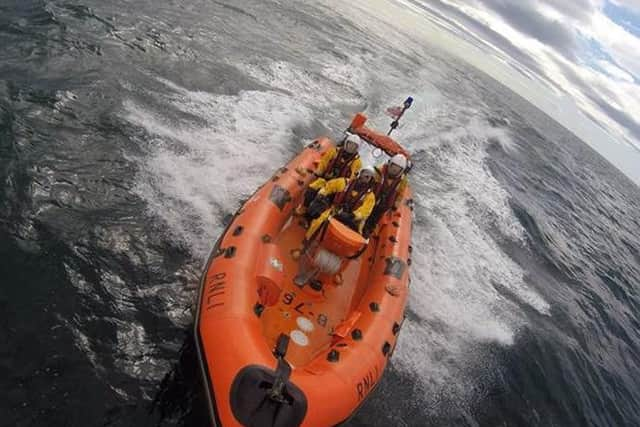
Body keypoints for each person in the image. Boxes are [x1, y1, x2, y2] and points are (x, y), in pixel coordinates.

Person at [296, 134, 363, 216]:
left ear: (357, 148)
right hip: (325, 180)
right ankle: (304, 207)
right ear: (346, 143)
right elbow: (324, 163)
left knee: (322, 201)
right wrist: (318, 172)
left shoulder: (357, 162)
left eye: (354, 146)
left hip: (339, 187)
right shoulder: (334, 151)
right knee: (311, 189)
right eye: (350, 144)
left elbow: (351, 180)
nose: (351, 147)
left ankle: (312, 216)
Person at [304, 167, 377, 241]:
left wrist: (352, 215)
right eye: (365, 175)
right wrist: (322, 193)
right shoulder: (345, 182)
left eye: (369, 177)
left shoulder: (370, 196)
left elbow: (365, 211)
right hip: (335, 211)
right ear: (360, 174)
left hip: (351, 220)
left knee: (353, 237)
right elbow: (329, 186)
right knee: (319, 222)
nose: (366, 178)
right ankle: (308, 240)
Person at [363, 153, 409, 237]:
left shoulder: (402, 181)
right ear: (389, 164)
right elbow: (371, 183)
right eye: (393, 167)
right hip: (372, 199)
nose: (394, 170)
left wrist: (396, 205)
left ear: (401, 171)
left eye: (397, 169)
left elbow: (400, 194)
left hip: (384, 205)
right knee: (366, 213)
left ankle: (369, 230)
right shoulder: (379, 171)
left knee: (375, 218)